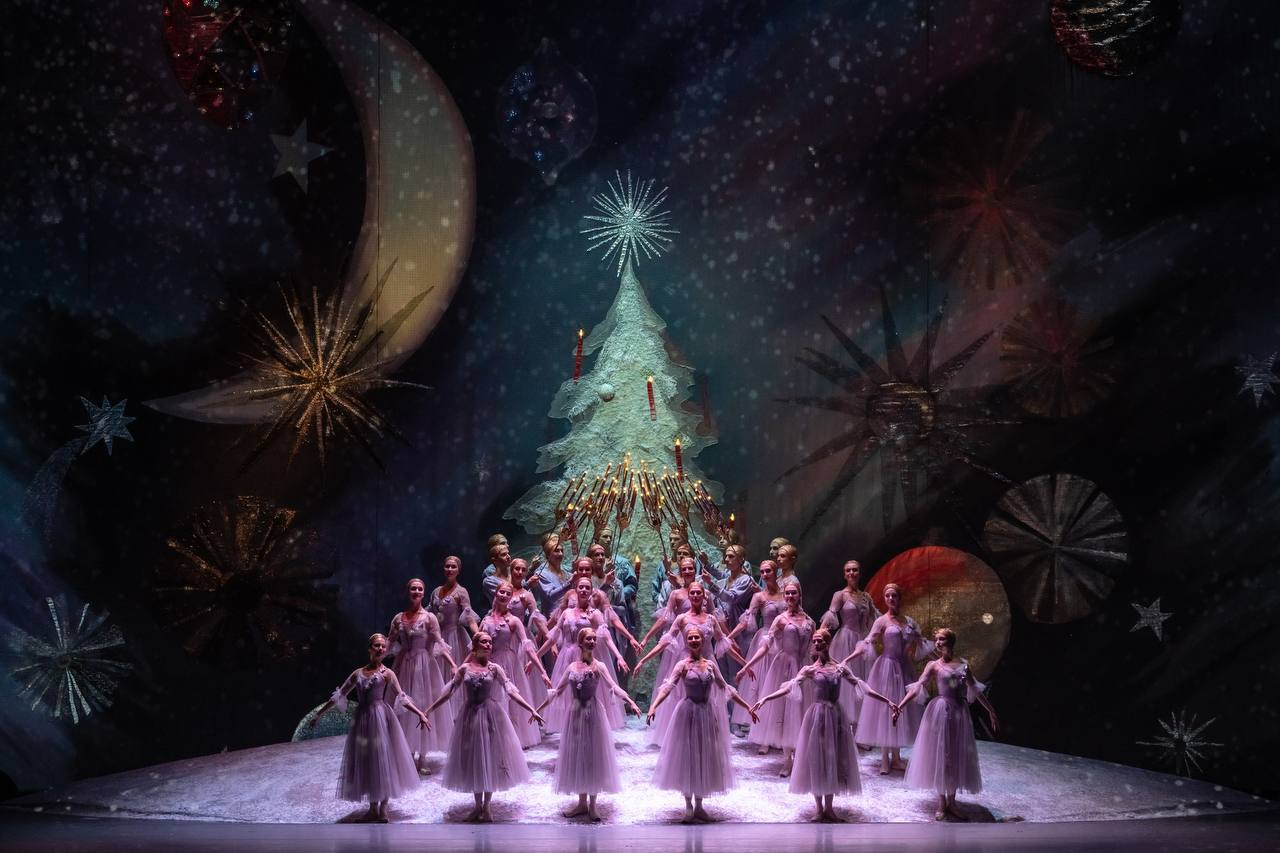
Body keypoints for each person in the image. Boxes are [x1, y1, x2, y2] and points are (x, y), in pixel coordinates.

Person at [752, 628, 895, 822]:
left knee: (833, 758)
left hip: (835, 717)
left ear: (828, 643)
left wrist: (888, 701)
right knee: (817, 757)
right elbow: (789, 687)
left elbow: (863, 687)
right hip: (817, 716)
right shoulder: (810, 669)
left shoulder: (839, 668)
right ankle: (819, 808)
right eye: (814, 641)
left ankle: (829, 808)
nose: (816, 644)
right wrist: (765, 699)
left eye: (820, 641)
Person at [423, 631, 544, 822]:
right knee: (474, 759)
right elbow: (449, 692)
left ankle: (486, 807)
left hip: (489, 715)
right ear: (475, 645)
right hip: (470, 716)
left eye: (490, 642)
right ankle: (477, 806)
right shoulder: (464, 669)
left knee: (489, 757)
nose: (488, 645)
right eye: (484, 642)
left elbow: (511, 692)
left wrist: (531, 709)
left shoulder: (495, 669)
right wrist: (429, 710)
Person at [309, 633, 426, 822]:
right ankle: (373, 808)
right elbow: (340, 695)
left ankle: (383, 808)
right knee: (368, 761)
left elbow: (401, 696)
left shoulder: (387, 673)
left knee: (384, 760)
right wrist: (319, 714)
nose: (381, 649)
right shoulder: (358, 674)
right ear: (370, 648)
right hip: (363, 720)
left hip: (381, 717)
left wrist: (419, 713)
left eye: (383, 646)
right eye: (377, 645)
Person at [647, 625, 758, 823]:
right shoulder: (682, 665)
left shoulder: (710, 665)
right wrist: (654, 706)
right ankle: (688, 805)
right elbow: (668, 687)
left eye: (696, 637)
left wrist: (747, 706)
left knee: (704, 755)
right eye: (690, 638)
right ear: (686, 641)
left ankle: (699, 805)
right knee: (688, 756)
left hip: (706, 713)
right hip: (687, 713)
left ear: (703, 640)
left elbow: (725, 688)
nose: (694, 641)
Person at [537, 627, 642, 820]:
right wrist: (538, 709)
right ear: (580, 642)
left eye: (594, 639)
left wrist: (631, 702)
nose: (592, 642)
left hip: (593, 713)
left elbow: (613, 686)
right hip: (575, 713)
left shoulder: (599, 666)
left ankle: (593, 805)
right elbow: (557, 691)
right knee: (577, 754)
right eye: (589, 639)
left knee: (593, 755)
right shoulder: (571, 667)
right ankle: (581, 803)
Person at [897, 627, 999, 821]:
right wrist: (900, 706)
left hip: (959, 713)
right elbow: (918, 687)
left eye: (941, 639)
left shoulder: (963, 665)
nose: (937, 642)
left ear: (950, 642)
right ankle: (942, 802)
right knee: (942, 755)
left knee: (956, 755)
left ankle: (952, 801)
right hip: (941, 712)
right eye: (936, 639)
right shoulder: (933, 665)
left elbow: (975, 690)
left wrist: (990, 710)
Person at [634, 581, 745, 745]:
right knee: (683, 699)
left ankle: (707, 740)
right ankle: (682, 740)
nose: (695, 596)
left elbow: (724, 644)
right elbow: (664, 642)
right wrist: (643, 660)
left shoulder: (711, 619)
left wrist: (744, 664)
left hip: (707, 662)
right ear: (689, 595)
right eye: (692, 593)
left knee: (710, 700)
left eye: (698, 593)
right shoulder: (682, 618)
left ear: (704, 596)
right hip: (686, 662)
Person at [845, 582, 934, 775]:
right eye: (888, 596)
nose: (891, 599)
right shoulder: (881, 621)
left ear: (900, 598)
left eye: (894, 596)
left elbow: (922, 643)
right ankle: (885, 758)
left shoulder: (909, 622)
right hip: (886, 668)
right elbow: (868, 642)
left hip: (904, 668)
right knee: (886, 710)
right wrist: (848, 659)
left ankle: (897, 757)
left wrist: (942, 658)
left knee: (902, 710)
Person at [737, 578, 815, 775]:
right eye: (787, 593)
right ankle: (787, 759)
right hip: (784, 667)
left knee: (802, 710)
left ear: (799, 595)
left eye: (793, 593)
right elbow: (766, 646)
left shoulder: (809, 621)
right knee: (785, 710)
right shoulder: (780, 620)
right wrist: (747, 665)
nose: (790, 596)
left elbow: (814, 649)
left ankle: (801, 756)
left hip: (803, 667)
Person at [536, 576, 628, 732]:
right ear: (576, 589)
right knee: (566, 691)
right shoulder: (566, 613)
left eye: (587, 588)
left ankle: (590, 726)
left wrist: (619, 656)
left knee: (587, 691)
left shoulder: (595, 614)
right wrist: (537, 656)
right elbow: (553, 639)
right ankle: (570, 727)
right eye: (581, 587)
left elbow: (606, 638)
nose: (584, 590)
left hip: (585, 656)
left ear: (591, 591)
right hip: (567, 656)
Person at [387, 579, 457, 771]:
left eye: (420, 589)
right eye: (413, 588)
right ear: (407, 591)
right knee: (406, 705)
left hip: (425, 666)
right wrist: (376, 659)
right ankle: (408, 754)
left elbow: (439, 642)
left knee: (423, 704)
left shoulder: (429, 618)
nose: (416, 591)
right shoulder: (399, 618)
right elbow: (389, 642)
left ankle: (423, 756)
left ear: (424, 593)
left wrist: (452, 665)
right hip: (405, 665)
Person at [480, 581, 551, 748]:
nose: (504, 596)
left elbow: (528, 648)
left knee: (510, 701)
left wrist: (542, 671)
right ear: (496, 594)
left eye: (508, 593)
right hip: (490, 662)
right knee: (491, 700)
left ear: (511, 597)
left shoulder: (514, 621)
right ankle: (493, 737)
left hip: (509, 663)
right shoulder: (486, 619)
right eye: (501, 592)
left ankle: (511, 740)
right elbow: (477, 647)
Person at [725, 559, 785, 737]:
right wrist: (728, 637)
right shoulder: (759, 596)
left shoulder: (786, 594)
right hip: (765, 640)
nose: (765, 575)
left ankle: (778, 728)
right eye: (763, 572)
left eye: (768, 571)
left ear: (775, 572)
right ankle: (762, 729)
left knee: (779, 682)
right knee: (762, 683)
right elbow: (746, 620)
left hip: (784, 641)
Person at [820, 560, 879, 723]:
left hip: (862, 641)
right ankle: (844, 722)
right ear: (844, 575)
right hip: (845, 640)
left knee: (862, 679)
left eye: (855, 570)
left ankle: (861, 723)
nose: (851, 573)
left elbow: (875, 621)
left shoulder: (866, 597)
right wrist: (819, 636)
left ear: (860, 573)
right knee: (845, 680)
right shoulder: (840, 595)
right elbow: (830, 616)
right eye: (848, 570)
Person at [699, 543, 758, 683]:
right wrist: (707, 563)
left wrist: (711, 584)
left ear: (741, 560)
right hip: (723, 628)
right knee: (722, 667)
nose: (726, 559)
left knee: (736, 667)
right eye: (726, 556)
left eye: (731, 556)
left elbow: (731, 597)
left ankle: (739, 696)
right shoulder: (728, 578)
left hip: (737, 629)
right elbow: (721, 575)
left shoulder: (746, 580)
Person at [429, 556, 479, 718]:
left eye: (453, 567)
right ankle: (439, 716)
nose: (450, 569)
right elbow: (428, 612)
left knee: (454, 675)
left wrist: (478, 635)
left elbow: (469, 617)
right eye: (447, 566)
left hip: (455, 638)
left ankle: (456, 717)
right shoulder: (436, 591)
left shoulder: (461, 591)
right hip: (438, 638)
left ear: (458, 570)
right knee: (437, 676)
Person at [531, 533, 574, 615]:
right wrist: (570, 582)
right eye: (556, 551)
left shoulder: (566, 571)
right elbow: (551, 596)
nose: (560, 554)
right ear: (547, 554)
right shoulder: (541, 572)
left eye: (562, 551)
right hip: (552, 617)